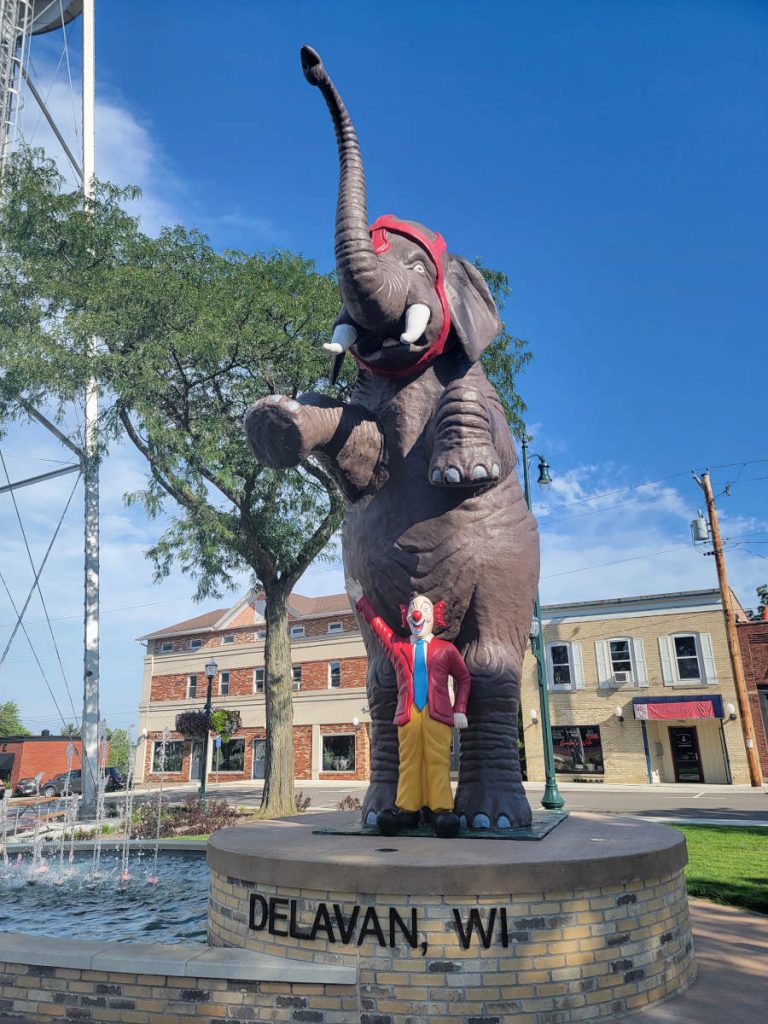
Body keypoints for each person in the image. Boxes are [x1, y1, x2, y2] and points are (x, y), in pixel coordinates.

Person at [347, 578, 471, 837]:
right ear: (406, 616)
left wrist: (460, 708)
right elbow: (378, 626)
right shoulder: (399, 647)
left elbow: (464, 677)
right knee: (409, 762)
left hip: (438, 714)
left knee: (438, 761)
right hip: (408, 714)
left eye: (424, 610)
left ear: (433, 617)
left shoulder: (446, 650)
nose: (418, 614)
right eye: (414, 609)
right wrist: (360, 599)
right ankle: (407, 810)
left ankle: (441, 810)